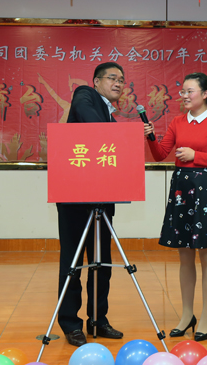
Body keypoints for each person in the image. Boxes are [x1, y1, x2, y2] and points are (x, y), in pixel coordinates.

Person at [143, 72, 207, 341]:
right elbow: (160, 155)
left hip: (206, 189)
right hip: (182, 190)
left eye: (189, 91)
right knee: (184, 254)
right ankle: (186, 314)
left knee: (206, 254)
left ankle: (205, 316)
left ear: (205, 94)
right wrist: (151, 137)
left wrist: (197, 156)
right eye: (182, 91)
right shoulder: (177, 121)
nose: (183, 95)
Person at [56, 63, 126, 347]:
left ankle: (98, 319)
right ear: (97, 81)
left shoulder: (110, 115)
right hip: (74, 197)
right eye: (113, 78)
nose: (119, 83)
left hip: (102, 197)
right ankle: (70, 324)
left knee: (101, 263)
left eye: (122, 80)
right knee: (72, 263)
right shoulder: (85, 94)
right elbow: (91, 123)